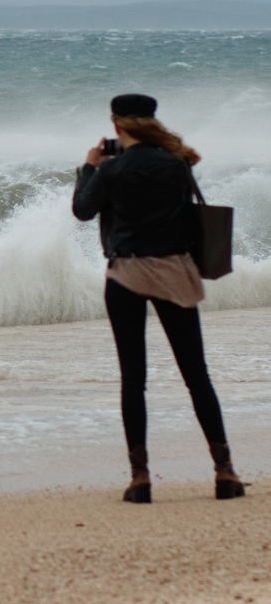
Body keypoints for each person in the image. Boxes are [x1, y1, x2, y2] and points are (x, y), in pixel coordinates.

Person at [72, 94, 244, 503]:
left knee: (134, 380)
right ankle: (225, 472)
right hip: (174, 272)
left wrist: (90, 167)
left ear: (116, 125)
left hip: (127, 274)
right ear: (151, 121)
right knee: (196, 376)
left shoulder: (111, 169)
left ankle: (140, 478)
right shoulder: (176, 163)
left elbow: (83, 210)